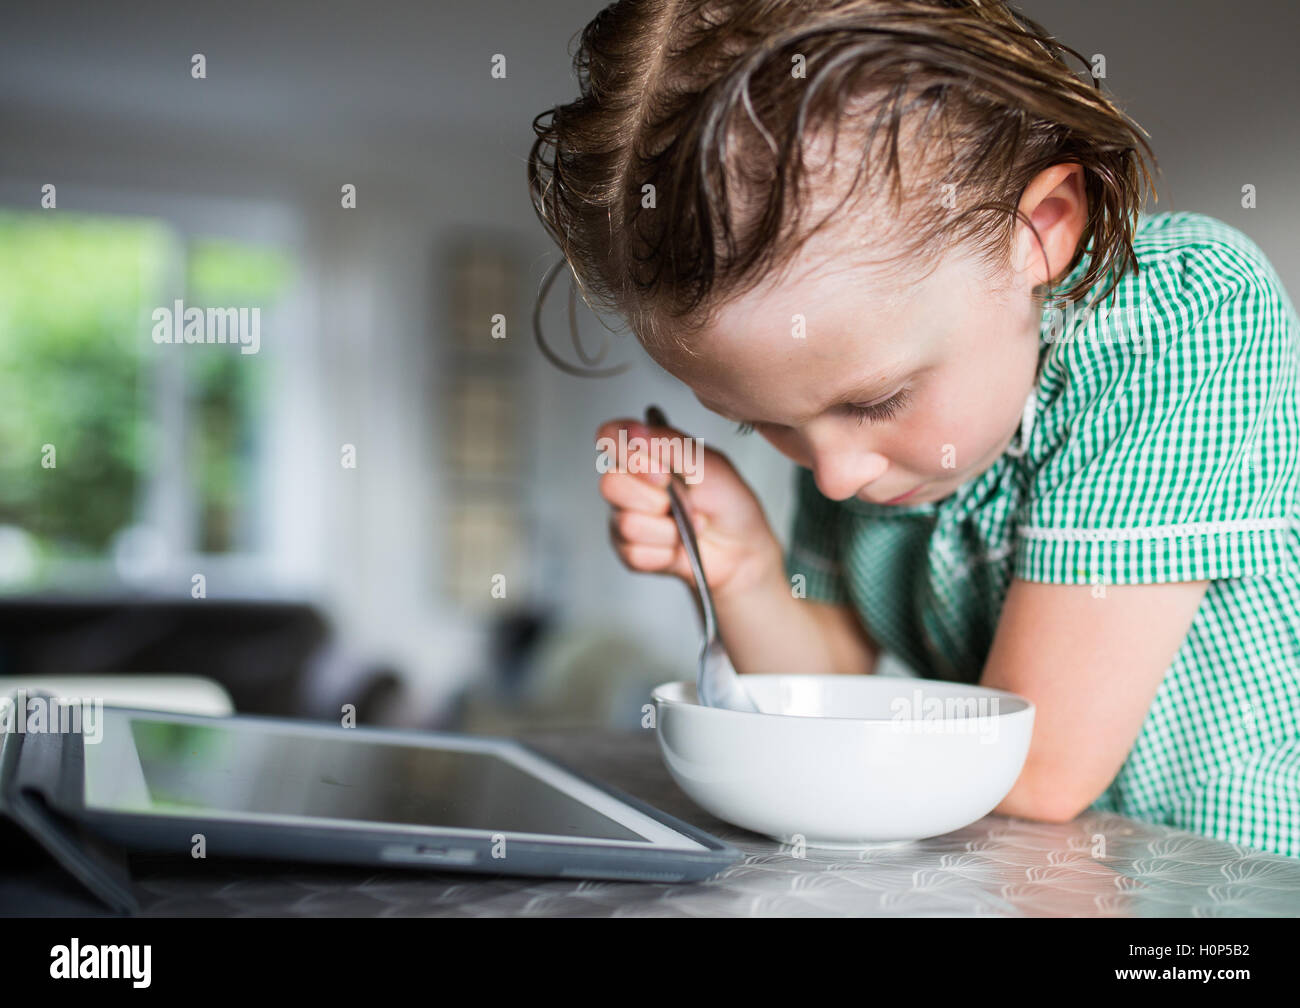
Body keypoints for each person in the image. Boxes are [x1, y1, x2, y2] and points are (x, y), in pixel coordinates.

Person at [527, 1, 1300, 857]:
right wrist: (742, 566)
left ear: (1038, 231)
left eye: (876, 401)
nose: (835, 478)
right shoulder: (861, 439)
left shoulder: (1180, 317)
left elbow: (1039, 767)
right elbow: (827, 688)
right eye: (762, 427)